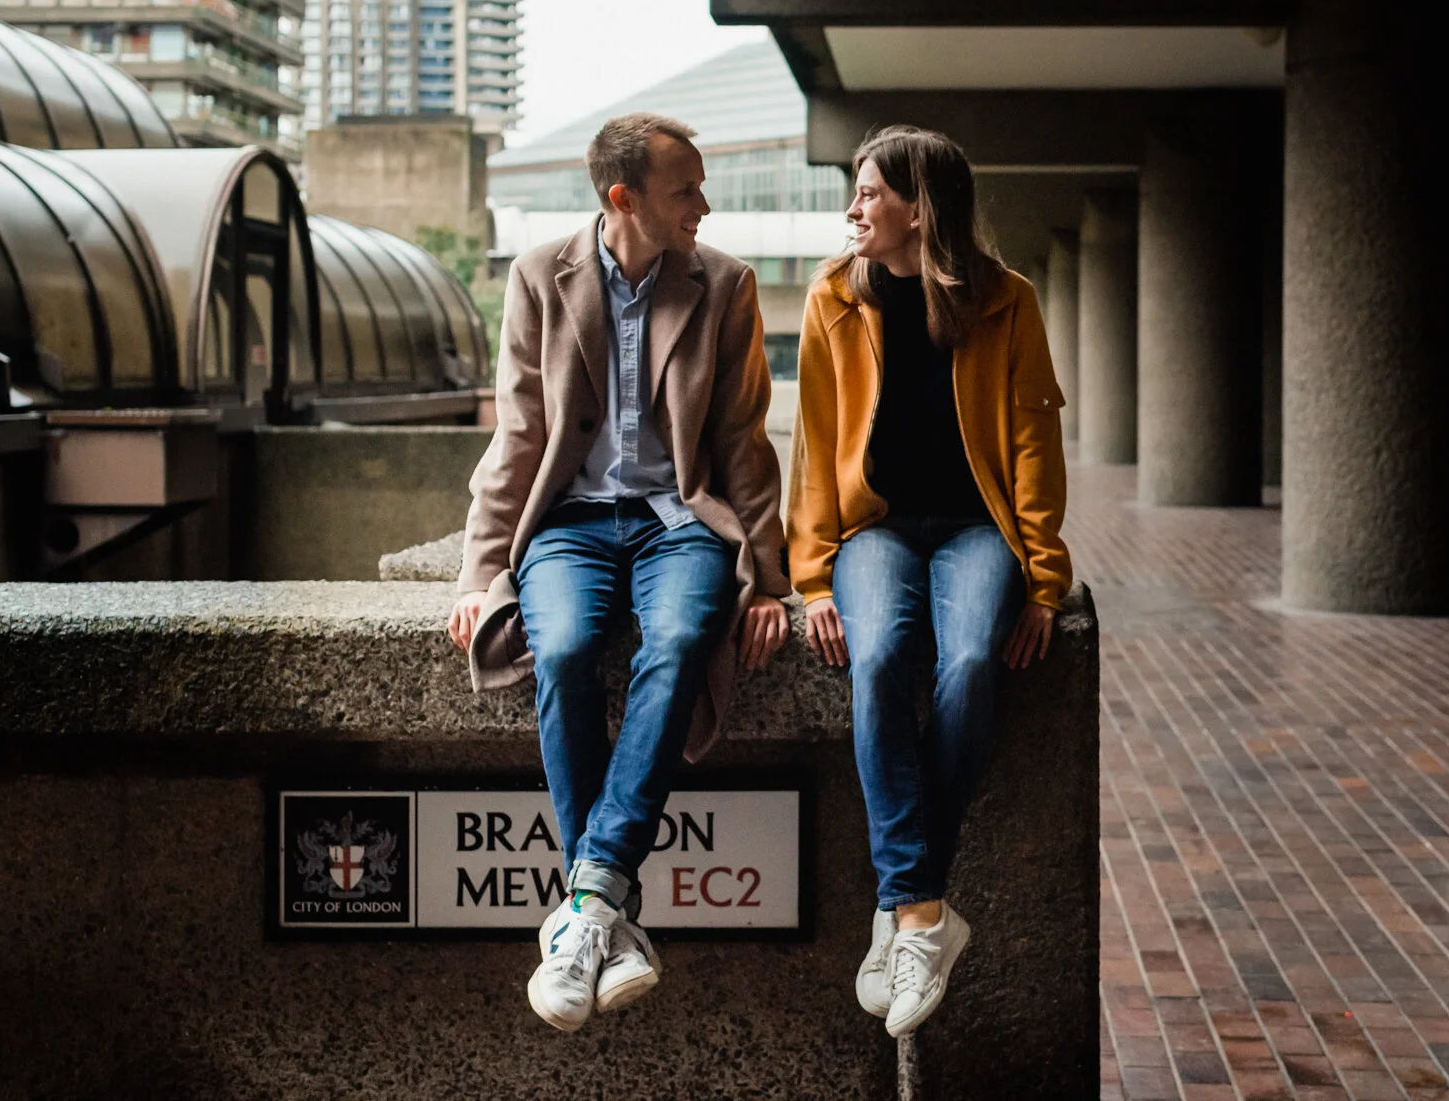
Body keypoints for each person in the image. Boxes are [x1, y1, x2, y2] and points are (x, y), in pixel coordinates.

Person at [448, 111, 790, 1033]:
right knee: (560, 648)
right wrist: (482, 572)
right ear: (623, 198)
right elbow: (518, 435)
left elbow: (740, 443)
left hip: (679, 521)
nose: (704, 207)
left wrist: (774, 579)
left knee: (680, 638)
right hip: (569, 523)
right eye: (687, 190)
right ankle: (605, 910)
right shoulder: (539, 276)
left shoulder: (723, 285)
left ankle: (586, 909)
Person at [787, 125, 1072, 1038]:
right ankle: (922, 914)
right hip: (873, 530)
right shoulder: (833, 297)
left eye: (870, 193)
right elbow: (810, 447)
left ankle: (907, 903)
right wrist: (811, 580)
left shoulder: (1006, 302)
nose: (854, 209)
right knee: (876, 661)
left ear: (921, 207)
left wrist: (1042, 581)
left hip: (975, 532)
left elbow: (1033, 448)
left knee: (971, 665)